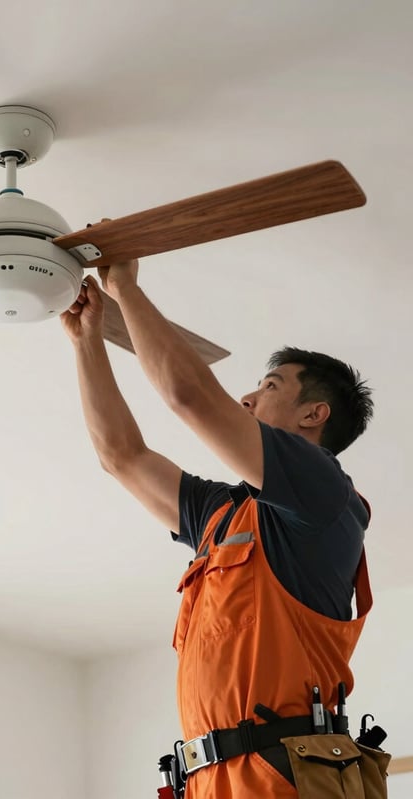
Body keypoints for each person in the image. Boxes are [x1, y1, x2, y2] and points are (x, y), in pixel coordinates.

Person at [61, 259, 374, 799]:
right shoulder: (224, 516)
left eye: (269, 386)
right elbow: (122, 457)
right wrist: (88, 340)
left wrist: (125, 290)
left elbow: (190, 396)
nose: (247, 398)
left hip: (284, 777)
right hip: (207, 781)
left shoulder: (325, 497)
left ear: (313, 415)